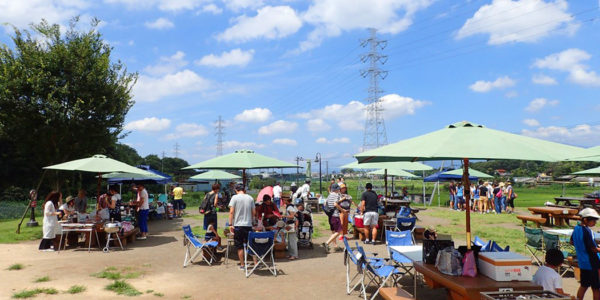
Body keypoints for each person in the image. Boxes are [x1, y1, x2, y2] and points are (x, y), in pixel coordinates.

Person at [571, 208, 600, 300]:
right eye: (593, 221)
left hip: (582, 262)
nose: (594, 223)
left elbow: (571, 241)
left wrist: (580, 247)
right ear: (585, 219)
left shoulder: (576, 228)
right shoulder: (587, 231)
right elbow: (593, 249)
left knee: (583, 286)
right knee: (596, 288)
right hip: (592, 263)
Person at [229, 183, 256, 270]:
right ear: (244, 189)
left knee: (239, 246)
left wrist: (230, 224)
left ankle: (242, 265)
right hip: (248, 225)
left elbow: (231, 212)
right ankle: (255, 262)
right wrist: (252, 221)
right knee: (251, 245)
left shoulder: (234, 198)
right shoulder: (250, 198)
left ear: (236, 190)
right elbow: (254, 212)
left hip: (238, 225)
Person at [324, 184, 343, 252]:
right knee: (339, 231)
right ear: (336, 189)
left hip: (330, 215)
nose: (339, 190)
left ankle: (335, 245)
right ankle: (327, 243)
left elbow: (325, 203)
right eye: (338, 189)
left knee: (334, 231)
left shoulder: (329, 195)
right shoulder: (336, 195)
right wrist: (342, 210)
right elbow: (335, 204)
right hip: (335, 215)